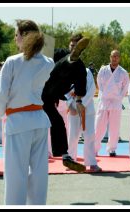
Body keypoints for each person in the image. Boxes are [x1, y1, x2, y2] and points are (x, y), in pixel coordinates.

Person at [0, 19, 55, 205]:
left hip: (18, 121)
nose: (14, 39)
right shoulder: (47, 62)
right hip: (39, 120)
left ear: (25, 36)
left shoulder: (13, 62)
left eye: (16, 35)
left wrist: (2, 112)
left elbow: (0, 94)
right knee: (39, 173)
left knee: (15, 175)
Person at [42, 33, 89, 172]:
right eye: (72, 46)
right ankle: (65, 155)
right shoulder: (60, 53)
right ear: (69, 45)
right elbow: (42, 59)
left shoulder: (80, 67)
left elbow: (82, 85)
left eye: (76, 48)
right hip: (44, 86)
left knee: (58, 122)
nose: (73, 48)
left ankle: (65, 155)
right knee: (57, 121)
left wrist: (79, 102)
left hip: (53, 94)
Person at [94, 50, 130, 157]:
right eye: (113, 56)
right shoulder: (103, 70)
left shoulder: (123, 72)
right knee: (99, 126)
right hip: (104, 101)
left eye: (117, 56)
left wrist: (119, 97)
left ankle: (112, 149)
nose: (114, 58)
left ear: (119, 58)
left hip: (116, 102)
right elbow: (99, 83)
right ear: (110, 57)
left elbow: (125, 87)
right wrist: (104, 94)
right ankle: (94, 149)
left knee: (114, 127)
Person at [66, 68, 102, 172]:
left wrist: (81, 104)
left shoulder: (87, 72)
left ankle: (91, 163)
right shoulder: (66, 71)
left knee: (89, 135)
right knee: (72, 136)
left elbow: (91, 90)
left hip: (86, 108)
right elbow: (63, 90)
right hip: (73, 107)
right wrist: (70, 105)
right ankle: (71, 161)